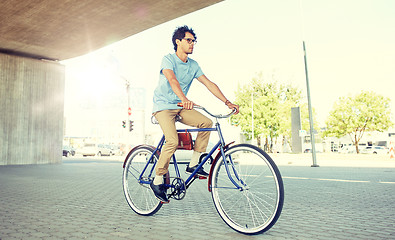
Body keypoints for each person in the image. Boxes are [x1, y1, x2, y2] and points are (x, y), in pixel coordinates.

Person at [150, 25, 239, 202]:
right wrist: (184, 98)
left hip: (181, 105)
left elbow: (209, 83)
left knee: (206, 123)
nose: (192, 44)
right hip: (163, 107)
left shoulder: (193, 65)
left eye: (194, 41)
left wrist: (227, 101)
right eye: (189, 40)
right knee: (172, 141)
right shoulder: (168, 59)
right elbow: (172, 80)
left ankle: (194, 163)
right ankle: (157, 179)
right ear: (178, 41)